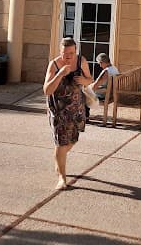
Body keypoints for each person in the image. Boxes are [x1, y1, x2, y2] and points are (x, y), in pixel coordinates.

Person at [43, 37, 93, 190]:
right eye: (65, 54)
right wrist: (59, 75)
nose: (68, 57)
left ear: (75, 51)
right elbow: (47, 90)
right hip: (58, 110)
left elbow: (90, 79)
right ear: (60, 52)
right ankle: (62, 178)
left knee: (72, 140)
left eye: (71, 53)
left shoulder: (81, 61)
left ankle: (59, 157)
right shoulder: (54, 65)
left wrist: (84, 81)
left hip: (77, 108)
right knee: (61, 143)